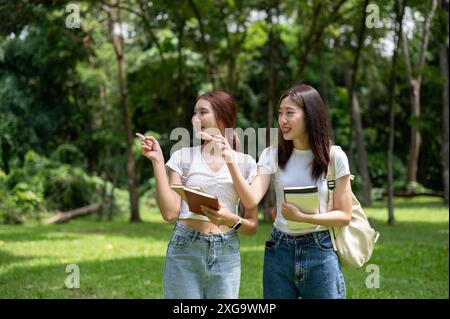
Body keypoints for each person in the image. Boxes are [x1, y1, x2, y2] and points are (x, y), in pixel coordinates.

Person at [211, 84, 352, 299]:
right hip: (279, 249)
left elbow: (344, 215)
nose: (282, 120)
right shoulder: (272, 154)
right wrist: (230, 161)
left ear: (310, 115)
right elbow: (251, 199)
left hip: (320, 249)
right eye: (280, 113)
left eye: (289, 113)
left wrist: (303, 217)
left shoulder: (334, 157)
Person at [139, 90, 258, 299]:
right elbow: (169, 213)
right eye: (194, 113)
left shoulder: (246, 163)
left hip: (226, 250)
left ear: (223, 117)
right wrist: (157, 161)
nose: (195, 119)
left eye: (203, 112)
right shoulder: (182, 157)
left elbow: (252, 226)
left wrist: (230, 219)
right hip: (185, 248)